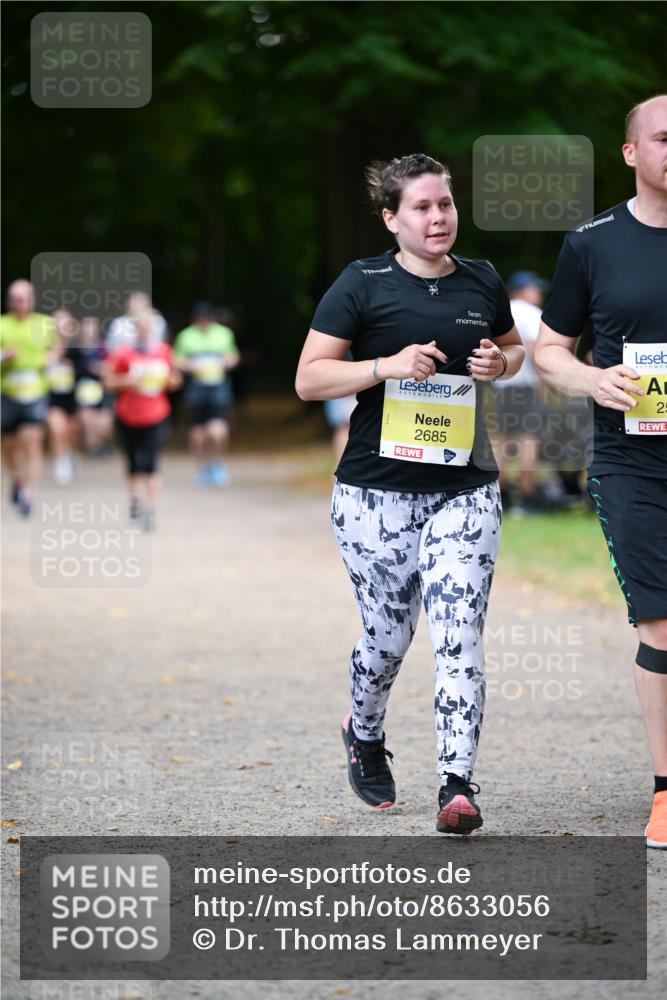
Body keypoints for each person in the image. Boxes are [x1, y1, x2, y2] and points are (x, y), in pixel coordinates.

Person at [295, 154, 524, 834]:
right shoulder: (360, 284)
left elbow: (510, 353)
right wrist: (384, 367)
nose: (437, 218)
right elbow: (309, 379)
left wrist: (497, 363)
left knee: (458, 634)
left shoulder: (481, 280)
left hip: (463, 491)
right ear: (391, 218)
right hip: (374, 493)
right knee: (388, 637)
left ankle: (456, 783)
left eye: (445, 205)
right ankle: (363, 732)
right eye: (421, 208)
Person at [535, 94, 667, 849]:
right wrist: (589, 379)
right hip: (632, 459)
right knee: (659, 620)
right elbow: (551, 348)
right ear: (629, 153)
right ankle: (662, 790)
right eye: (661, 138)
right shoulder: (590, 244)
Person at [103, 309, 181, 531]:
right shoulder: (123, 353)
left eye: (148, 327)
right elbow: (108, 381)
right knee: (133, 462)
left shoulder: (164, 351)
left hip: (156, 414)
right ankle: (135, 501)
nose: (144, 331)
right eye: (139, 327)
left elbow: (176, 380)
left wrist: (166, 379)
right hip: (127, 414)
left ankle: (151, 510)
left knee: (151, 463)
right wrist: (128, 381)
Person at [492, 271, 546, 514]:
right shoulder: (532, 313)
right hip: (526, 386)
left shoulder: (501, 311)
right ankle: (526, 496)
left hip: (501, 384)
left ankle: (499, 495)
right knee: (528, 440)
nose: (539, 293)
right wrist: (545, 381)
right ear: (523, 289)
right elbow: (536, 351)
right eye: (536, 288)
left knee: (501, 440)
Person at [0, 279, 55, 517]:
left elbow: (56, 348)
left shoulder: (44, 324)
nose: (20, 303)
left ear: (31, 300)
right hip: (8, 390)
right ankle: (18, 479)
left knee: (32, 440)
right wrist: (4, 356)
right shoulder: (2, 325)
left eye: (24, 299)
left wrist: (49, 359)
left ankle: (28, 494)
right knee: (8, 445)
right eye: (15, 299)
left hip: (35, 391)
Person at [173, 301, 240, 486]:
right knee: (199, 433)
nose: (203, 322)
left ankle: (217, 464)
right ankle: (202, 468)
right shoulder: (185, 336)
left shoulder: (223, 334)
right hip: (196, 389)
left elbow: (234, 356)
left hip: (218, 388)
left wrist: (226, 362)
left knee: (217, 432)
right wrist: (191, 365)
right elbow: (176, 360)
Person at [46, 308, 79, 485]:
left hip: (72, 397)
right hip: (52, 396)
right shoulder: (45, 347)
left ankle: (70, 453)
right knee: (57, 430)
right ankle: (60, 463)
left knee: (70, 433)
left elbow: (86, 372)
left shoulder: (77, 348)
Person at [75, 316, 114, 457]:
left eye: (92, 326)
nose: (89, 330)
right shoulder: (75, 349)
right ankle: (93, 449)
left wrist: (101, 369)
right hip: (83, 390)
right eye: (86, 326)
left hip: (102, 389)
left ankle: (103, 444)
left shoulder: (103, 348)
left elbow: (111, 366)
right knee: (87, 422)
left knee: (104, 423)